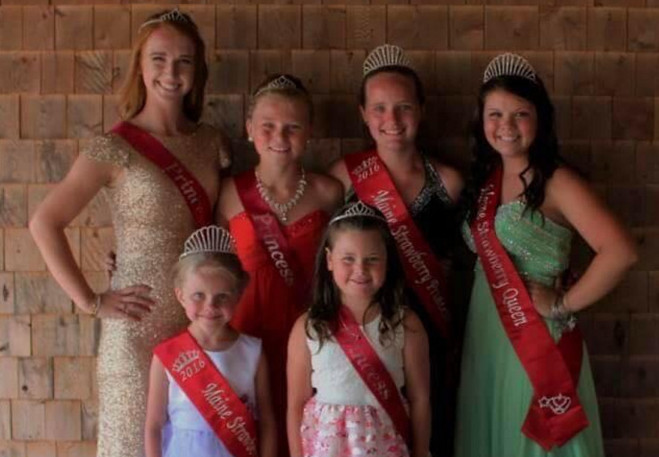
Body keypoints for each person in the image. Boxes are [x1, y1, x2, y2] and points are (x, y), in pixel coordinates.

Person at [29, 9, 231, 457]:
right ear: (140, 65)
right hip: (136, 329)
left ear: (197, 70)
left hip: (202, 322)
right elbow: (44, 222)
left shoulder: (212, 142)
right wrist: (91, 301)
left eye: (184, 61)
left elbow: (216, 230)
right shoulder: (113, 147)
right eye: (159, 59)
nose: (171, 73)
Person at [455, 53, 638, 457]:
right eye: (495, 114)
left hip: (536, 339)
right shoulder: (485, 182)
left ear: (540, 119)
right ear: (481, 119)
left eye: (520, 113)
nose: (505, 126)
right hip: (486, 332)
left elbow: (621, 252)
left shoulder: (558, 181)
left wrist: (562, 303)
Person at [328, 44, 464, 456]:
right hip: (362, 335)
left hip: (429, 333)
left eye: (403, 107)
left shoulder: (451, 183)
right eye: (380, 108)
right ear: (363, 113)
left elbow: (469, 258)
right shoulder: (343, 179)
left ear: (421, 110)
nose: (392, 120)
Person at [217, 73, 343, 456]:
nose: (279, 137)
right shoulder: (228, 193)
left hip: (311, 339)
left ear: (309, 132)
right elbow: (209, 262)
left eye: (292, 128)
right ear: (250, 128)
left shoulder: (329, 192)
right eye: (268, 126)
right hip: (246, 337)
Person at [287, 201, 431, 457]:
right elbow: (296, 403)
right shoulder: (308, 326)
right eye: (348, 259)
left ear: (388, 261)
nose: (360, 270)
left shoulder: (406, 324)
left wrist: (420, 451)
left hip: (385, 446)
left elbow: (420, 399)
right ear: (330, 260)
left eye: (372, 259)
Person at [145, 225, 276, 457]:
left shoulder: (253, 352)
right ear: (180, 295)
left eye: (222, 297)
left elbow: (266, 422)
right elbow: (154, 425)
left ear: (238, 295)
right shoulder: (167, 356)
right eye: (199, 296)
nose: (210, 307)